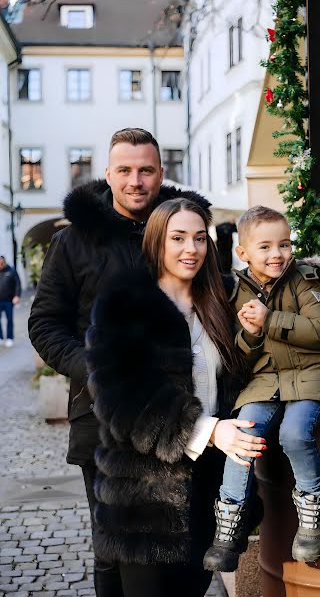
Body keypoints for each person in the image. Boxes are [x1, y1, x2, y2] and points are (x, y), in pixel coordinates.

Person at [28, 128, 229, 596]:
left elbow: (216, 304)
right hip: (103, 418)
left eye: (145, 170)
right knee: (115, 553)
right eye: (125, 170)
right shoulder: (74, 242)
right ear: (108, 173)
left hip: (186, 415)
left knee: (186, 546)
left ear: (162, 173)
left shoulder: (182, 230)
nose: (135, 180)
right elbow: (45, 325)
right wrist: (102, 372)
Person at [85, 198, 265, 597]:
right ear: (156, 242)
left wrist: (306, 276)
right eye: (178, 238)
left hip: (208, 487)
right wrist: (209, 430)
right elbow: (121, 402)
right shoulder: (124, 303)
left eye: (200, 238)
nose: (192, 249)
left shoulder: (222, 298)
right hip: (144, 496)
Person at [204, 205, 320, 571]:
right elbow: (237, 359)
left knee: (295, 433)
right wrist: (249, 335)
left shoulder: (304, 279)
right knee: (242, 432)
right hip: (264, 382)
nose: (277, 254)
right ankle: (229, 523)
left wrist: (271, 320)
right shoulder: (235, 291)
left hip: (311, 376)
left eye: (283, 244)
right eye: (265, 247)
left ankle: (314, 510)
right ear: (243, 253)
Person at [0, 255, 21, 347]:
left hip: (8, 301)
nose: (0, 265)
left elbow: (17, 284)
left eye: (1, 263)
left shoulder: (11, 271)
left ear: (4, 262)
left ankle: (10, 338)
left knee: (9, 320)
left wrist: (17, 296)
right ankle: (0, 338)